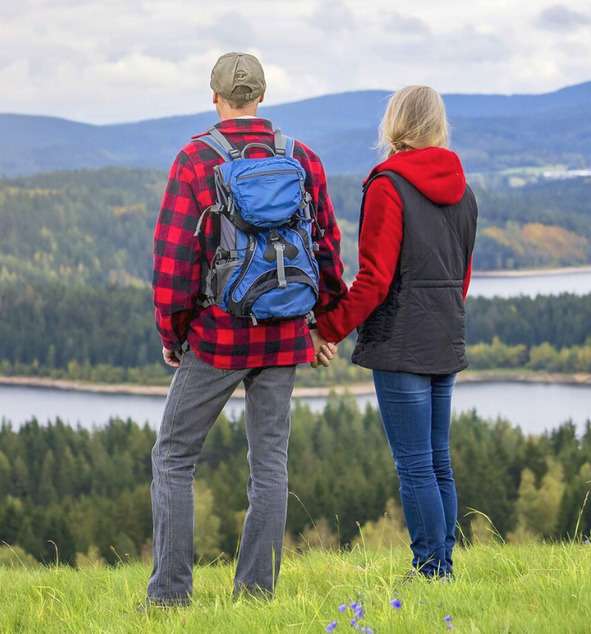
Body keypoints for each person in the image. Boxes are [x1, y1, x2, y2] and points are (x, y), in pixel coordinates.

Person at [147, 51, 346, 606]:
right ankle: (255, 596)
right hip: (284, 333)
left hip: (217, 337)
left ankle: (169, 597)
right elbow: (326, 247)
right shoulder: (301, 158)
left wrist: (173, 334)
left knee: (174, 457)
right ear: (263, 95)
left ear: (215, 97)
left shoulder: (194, 160)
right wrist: (324, 323)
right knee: (269, 466)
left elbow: (173, 264)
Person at [315, 85, 478, 579]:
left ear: (395, 123)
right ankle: (442, 565)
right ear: (438, 125)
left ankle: (431, 569)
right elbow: (462, 277)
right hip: (445, 338)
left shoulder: (388, 185)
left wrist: (329, 327)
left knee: (414, 466)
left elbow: (373, 280)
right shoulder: (464, 189)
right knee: (437, 462)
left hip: (401, 344)